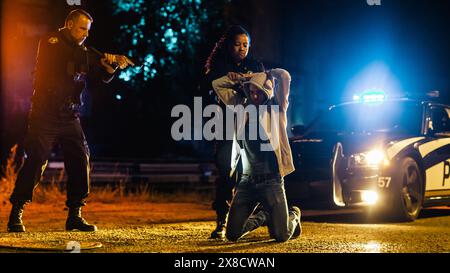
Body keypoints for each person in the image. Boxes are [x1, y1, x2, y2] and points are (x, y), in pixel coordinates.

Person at [7, 9, 134, 232]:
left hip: (69, 115)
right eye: (81, 28)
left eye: (87, 30)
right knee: (37, 159)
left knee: (81, 158)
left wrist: (110, 65)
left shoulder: (84, 50)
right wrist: (103, 56)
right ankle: (17, 210)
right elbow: (72, 58)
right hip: (44, 114)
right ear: (69, 24)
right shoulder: (51, 41)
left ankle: (75, 214)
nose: (85, 33)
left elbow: (103, 76)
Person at [212, 69, 302, 242]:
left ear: (267, 92)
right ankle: (264, 216)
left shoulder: (277, 108)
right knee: (232, 235)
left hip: (272, 182)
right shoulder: (242, 106)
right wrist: (241, 78)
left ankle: (293, 215)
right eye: (251, 92)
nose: (254, 96)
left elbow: (285, 76)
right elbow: (217, 84)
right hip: (246, 182)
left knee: (281, 235)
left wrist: (268, 72)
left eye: (259, 92)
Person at [200, 25, 265, 239]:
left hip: (249, 125)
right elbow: (211, 87)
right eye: (237, 44)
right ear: (228, 45)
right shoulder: (218, 66)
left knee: (250, 173)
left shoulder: (254, 64)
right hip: (225, 125)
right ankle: (221, 220)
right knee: (226, 170)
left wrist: (248, 79)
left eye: (245, 45)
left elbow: (263, 85)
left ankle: (249, 215)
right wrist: (235, 81)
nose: (241, 49)